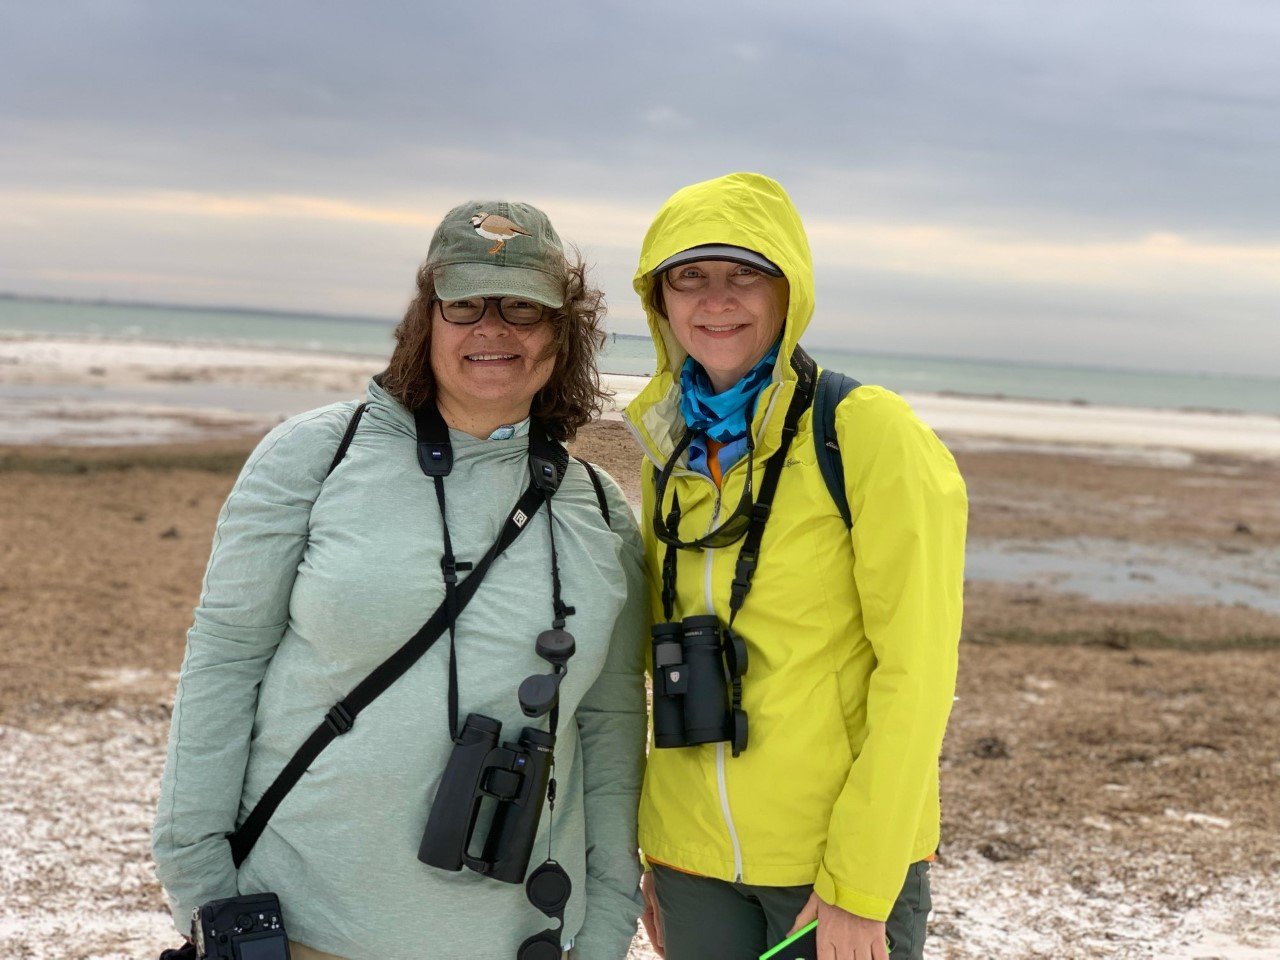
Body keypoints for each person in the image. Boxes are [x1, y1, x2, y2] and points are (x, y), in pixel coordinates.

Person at [152, 201, 647, 960]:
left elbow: (610, 729)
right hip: (307, 928)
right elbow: (225, 660)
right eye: (465, 304)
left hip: (519, 939)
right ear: (428, 319)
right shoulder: (314, 457)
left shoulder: (601, 510)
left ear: (563, 331)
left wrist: (608, 923)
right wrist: (201, 883)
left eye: (523, 306)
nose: (493, 327)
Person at [622, 173, 968, 960]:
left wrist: (862, 881)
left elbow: (917, 672)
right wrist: (656, 848)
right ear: (660, 302)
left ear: (790, 290)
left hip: (827, 871)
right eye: (690, 277)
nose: (716, 300)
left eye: (745, 274)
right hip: (691, 864)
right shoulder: (667, 447)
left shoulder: (864, 432)